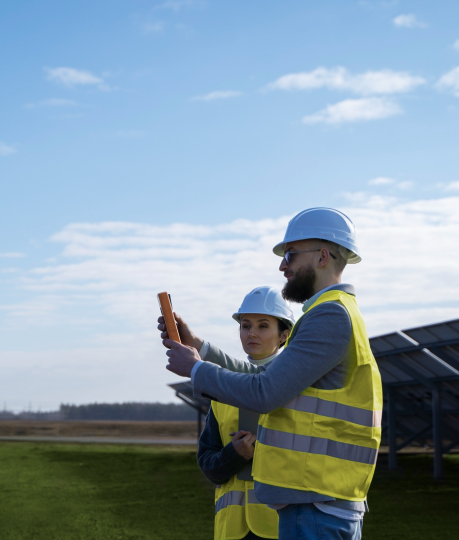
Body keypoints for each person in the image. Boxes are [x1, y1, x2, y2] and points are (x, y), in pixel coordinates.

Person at [159, 208, 381, 540]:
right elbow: (266, 374)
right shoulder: (333, 312)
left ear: (322, 256)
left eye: (290, 255)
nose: (282, 266)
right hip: (315, 500)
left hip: (316, 504)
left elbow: (265, 391)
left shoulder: (330, 316)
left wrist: (194, 368)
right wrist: (200, 348)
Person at [198, 286, 294, 540]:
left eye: (263, 326)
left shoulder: (298, 385)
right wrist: (233, 455)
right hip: (232, 529)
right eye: (245, 325)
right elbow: (208, 465)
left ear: (284, 335)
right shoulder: (222, 389)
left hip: (279, 526)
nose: (251, 333)